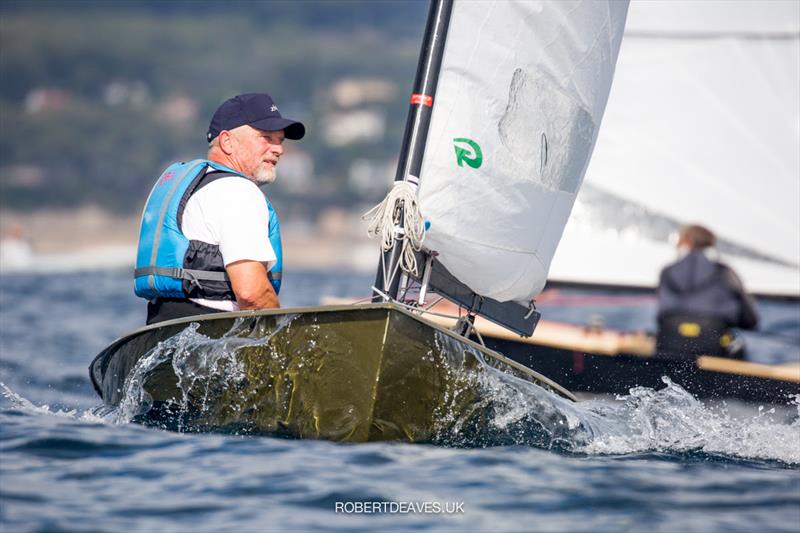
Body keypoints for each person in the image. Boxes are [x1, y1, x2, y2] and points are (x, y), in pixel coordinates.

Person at [134, 93, 305, 325]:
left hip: (162, 328)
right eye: (266, 137)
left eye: (280, 140)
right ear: (227, 142)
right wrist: (287, 339)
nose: (279, 150)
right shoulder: (237, 191)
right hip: (213, 335)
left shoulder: (197, 187)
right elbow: (251, 293)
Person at [656, 224, 759, 360]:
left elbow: (661, 314)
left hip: (669, 343)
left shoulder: (667, 271)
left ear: (686, 241)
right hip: (713, 347)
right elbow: (750, 320)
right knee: (735, 343)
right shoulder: (725, 272)